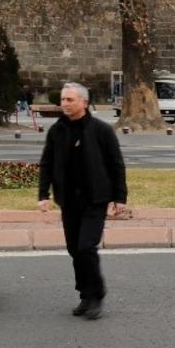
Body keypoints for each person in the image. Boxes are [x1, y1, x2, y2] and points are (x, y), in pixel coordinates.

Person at [37, 82, 128, 320]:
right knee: (74, 250)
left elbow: (116, 164)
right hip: (68, 200)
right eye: (63, 100)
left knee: (87, 247)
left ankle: (96, 295)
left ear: (84, 103)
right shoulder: (57, 131)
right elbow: (46, 163)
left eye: (70, 100)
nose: (64, 104)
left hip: (95, 199)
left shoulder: (101, 130)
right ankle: (84, 295)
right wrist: (43, 194)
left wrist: (119, 197)